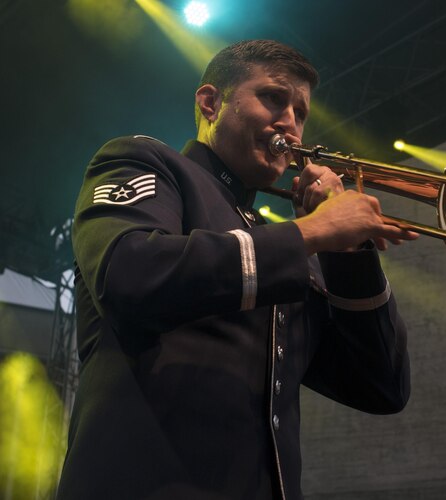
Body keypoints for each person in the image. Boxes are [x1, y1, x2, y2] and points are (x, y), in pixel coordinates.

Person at [56, 39, 418, 500]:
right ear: (211, 103)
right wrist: (311, 233)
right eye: (272, 97)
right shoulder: (143, 160)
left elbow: (381, 387)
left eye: (301, 113)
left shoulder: (274, 244)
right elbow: (130, 275)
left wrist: (349, 255)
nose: (290, 121)